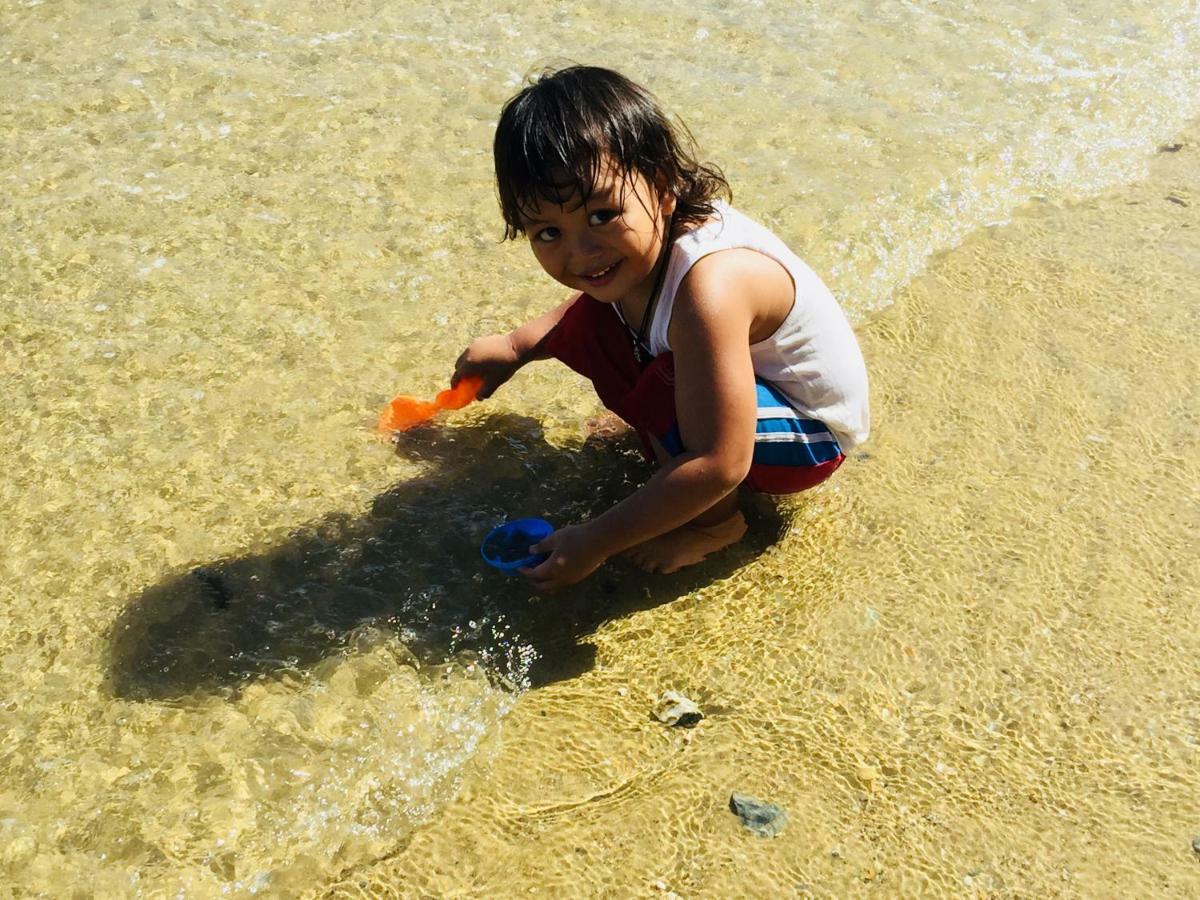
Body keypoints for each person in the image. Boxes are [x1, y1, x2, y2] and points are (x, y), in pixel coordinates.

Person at [453, 65, 869, 591]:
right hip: (753, 401)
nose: (580, 252)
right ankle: (669, 447)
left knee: (669, 390)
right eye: (548, 232)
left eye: (602, 215)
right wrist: (514, 348)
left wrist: (597, 540)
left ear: (665, 187)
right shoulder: (642, 251)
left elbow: (721, 463)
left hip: (810, 433)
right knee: (598, 321)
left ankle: (718, 526)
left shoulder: (711, 286)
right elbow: (582, 315)